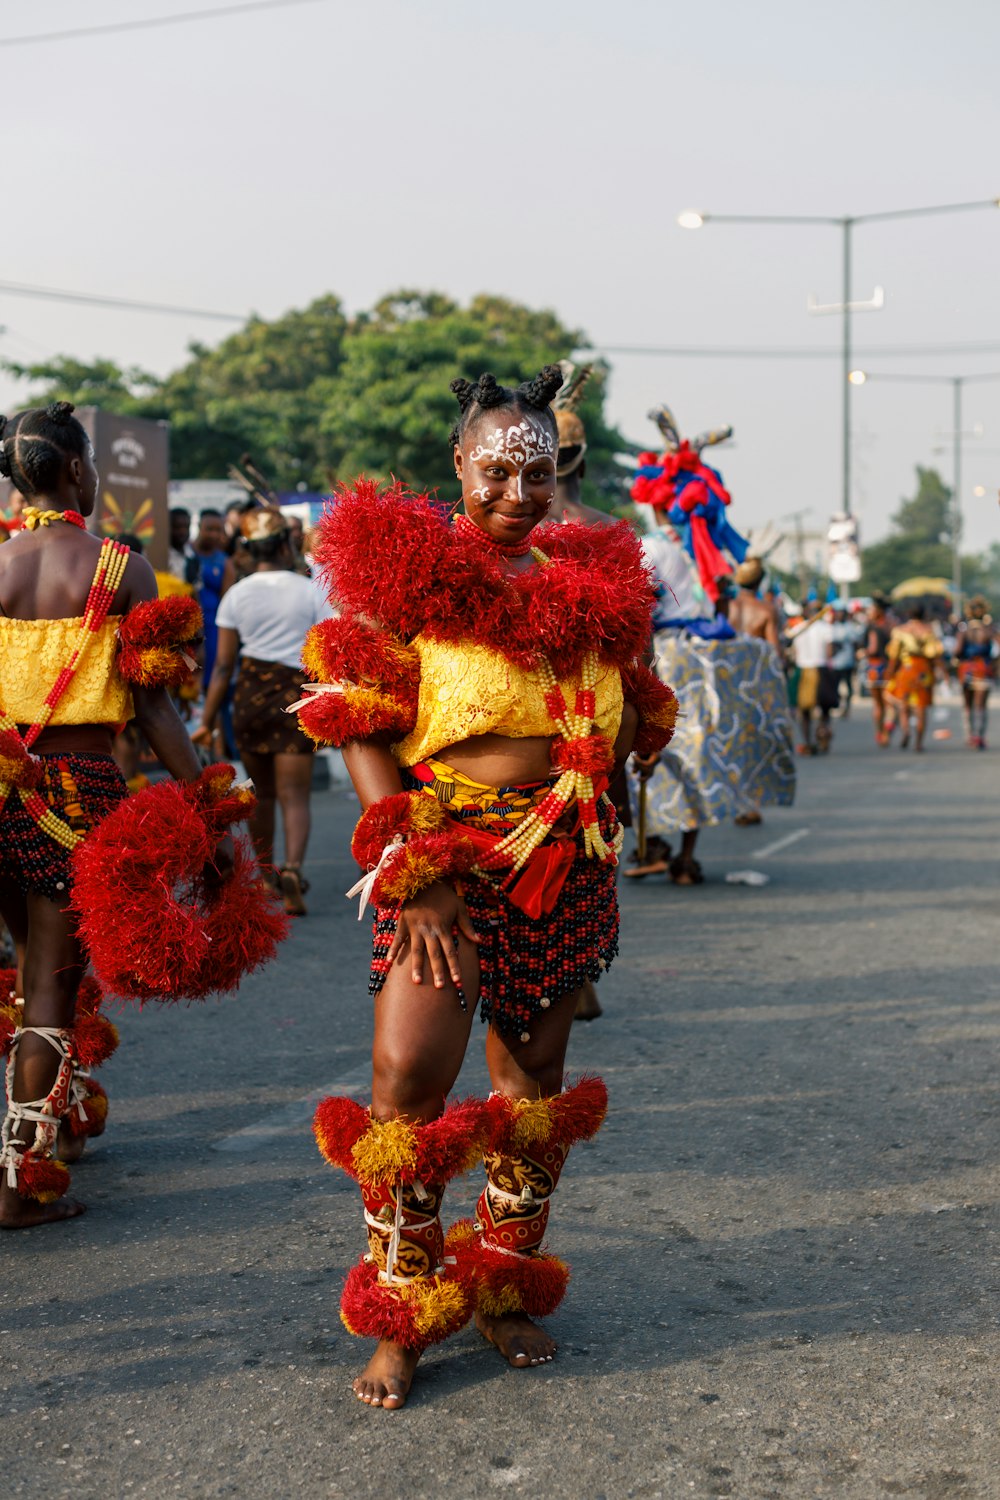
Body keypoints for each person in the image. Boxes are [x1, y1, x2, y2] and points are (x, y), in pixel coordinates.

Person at [296, 366, 676, 1409]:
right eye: (497, 471)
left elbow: (623, 701)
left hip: (569, 865)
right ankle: (403, 1309)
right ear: (458, 464)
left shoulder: (585, 579)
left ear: (560, 473)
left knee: (531, 1087)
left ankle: (503, 1281)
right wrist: (414, 874)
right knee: (407, 1084)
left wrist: (632, 730)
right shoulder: (405, 578)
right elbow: (358, 724)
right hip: (447, 867)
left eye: (538, 473)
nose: (518, 493)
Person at [0, 402, 228, 1229]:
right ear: (70, 473)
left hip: (0, 794)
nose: (95, 475)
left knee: (31, 972)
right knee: (54, 990)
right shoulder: (118, 570)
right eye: (90, 461)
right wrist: (206, 800)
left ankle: (57, 1123)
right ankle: (21, 1182)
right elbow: (157, 710)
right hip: (75, 794)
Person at [626, 406, 795, 879]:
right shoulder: (707, 550)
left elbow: (642, 611)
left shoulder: (651, 548)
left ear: (658, 502)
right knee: (697, 753)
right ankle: (683, 855)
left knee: (648, 748)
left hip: (665, 657)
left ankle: (649, 841)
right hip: (705, 660)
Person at [194, 508, 333, 915]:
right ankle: (293, 868)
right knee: (295, 796)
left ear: (248, 550)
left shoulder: (236, 594)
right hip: (297, 698)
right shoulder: (309, 590)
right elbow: (325, 651)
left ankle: (268, 874)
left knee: (262, 794)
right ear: (287, 544)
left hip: (251, 699)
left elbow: (222, 666)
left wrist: (206, 721)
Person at [885, 603, 944, 752]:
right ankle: (919, 743)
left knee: (903, 705)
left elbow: (894, 656)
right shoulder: (929, 630)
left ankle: (906, 731)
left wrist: (890, 672)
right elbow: (934, 655)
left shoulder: (900, 631)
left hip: (906, 669)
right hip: (923, 671)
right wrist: (942, 672)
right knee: (921, 708)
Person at [789, 607, 837, 754]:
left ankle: (807, 742)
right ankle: (822, 735)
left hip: (802, 669)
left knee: (804, 712)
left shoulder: (798, 628)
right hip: (820, 669)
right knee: (825, 709)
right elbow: (829, 652)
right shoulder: (825, 628)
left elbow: (795, 654)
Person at [954, 595, 996, 749]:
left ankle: (970, 735)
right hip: (984, 669)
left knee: (968, 704)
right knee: (981, 705)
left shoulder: (964, 631)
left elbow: (957, 650)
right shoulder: (989, 630)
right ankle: (980, 736)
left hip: (967, 669)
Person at [865, 593, 894, 746]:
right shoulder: (892, 625)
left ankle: (879, 733)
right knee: (890, 703)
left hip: (874, 667)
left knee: (878, 704)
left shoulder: (873, 627)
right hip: (890, 667)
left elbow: (872, 648)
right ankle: (886, 730)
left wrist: (863, 653)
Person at [828, 607, 858, 717]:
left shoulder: (850, 627)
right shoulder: (832, 627)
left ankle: (847, 707)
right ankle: (838, 704)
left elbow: (855, 643)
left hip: (848, 662)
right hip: (836, 663)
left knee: (848, 685)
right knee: (835, 686)